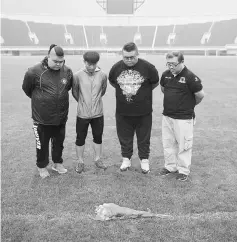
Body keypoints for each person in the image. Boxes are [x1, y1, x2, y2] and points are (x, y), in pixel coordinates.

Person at [22, 44, 73, 179]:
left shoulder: (67, 71)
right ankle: (42, 166)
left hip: (61, 117)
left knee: (59, 143)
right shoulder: (33, 71)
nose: (58, 64)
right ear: (48, 57)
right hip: (42, 118)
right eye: (55, 61)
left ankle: (57, 163)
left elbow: (66, 88)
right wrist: (42, 101)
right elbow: (27, 89)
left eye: (61, 61)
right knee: (42, 145)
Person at [109, 42, 159, 174]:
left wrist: (141, 93)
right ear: (122, 55)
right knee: (124, 137)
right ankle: (126, 159)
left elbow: (154, 82)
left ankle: (144, 161)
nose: (129, 60)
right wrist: (127, 90)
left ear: (137, 54)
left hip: (144, 112)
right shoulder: (115, 68)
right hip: (123, 111)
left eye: (132, 57)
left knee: (144, 137)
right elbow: (113, 82)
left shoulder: (148, 67)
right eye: (126, 57)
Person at [160, 51, 205, 181]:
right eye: (168, 64)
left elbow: (200, 95)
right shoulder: (165, 75)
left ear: (182, 62)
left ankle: (183, 171)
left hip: (183, 117)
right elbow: (163, 89)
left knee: (184, 145)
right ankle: (170, 167)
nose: (170, 67)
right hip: (167, 115)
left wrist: (189, 106)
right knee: (168, 143)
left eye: (173, 64)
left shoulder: (191, 77)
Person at [72, 51, 107, 173]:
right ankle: (80, 161)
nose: (91, 67)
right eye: (88, 64)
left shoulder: (102, 75)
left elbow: (103, 91)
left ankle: (98, 159)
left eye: (94, 64)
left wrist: (95, 102)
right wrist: (83, 102)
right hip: (83, 114)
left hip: (98, 113)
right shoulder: (77, 75)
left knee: (98, 137)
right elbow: (75, 92)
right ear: (84, 62)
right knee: (80, 138)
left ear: (97, 63)